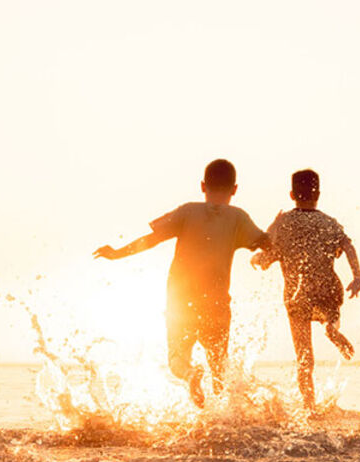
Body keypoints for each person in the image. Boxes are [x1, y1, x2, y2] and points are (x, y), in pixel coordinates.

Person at [94, 159, 269, 407]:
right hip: (217, 302)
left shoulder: (187, 212)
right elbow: (267, 245)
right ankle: (225, 419)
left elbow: (151, 240)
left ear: (202, 185)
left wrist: (117, 253)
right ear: (235, 189)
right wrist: (276, 229)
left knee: (177, 359)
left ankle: (190, 375)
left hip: (181, 300)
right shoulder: (238, 217)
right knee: (219, 364)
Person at [252, 169, 360, 410]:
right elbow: (348, 246)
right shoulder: (328, 222)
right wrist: (357, 276)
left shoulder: (283, 224)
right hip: (327, 288)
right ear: (319, 194)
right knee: (331, 316)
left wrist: (258, 254)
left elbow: (264, 257)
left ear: (292, 194)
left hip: (297, 296)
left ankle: (309, 406)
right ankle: (332, 329)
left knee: (304, 357)